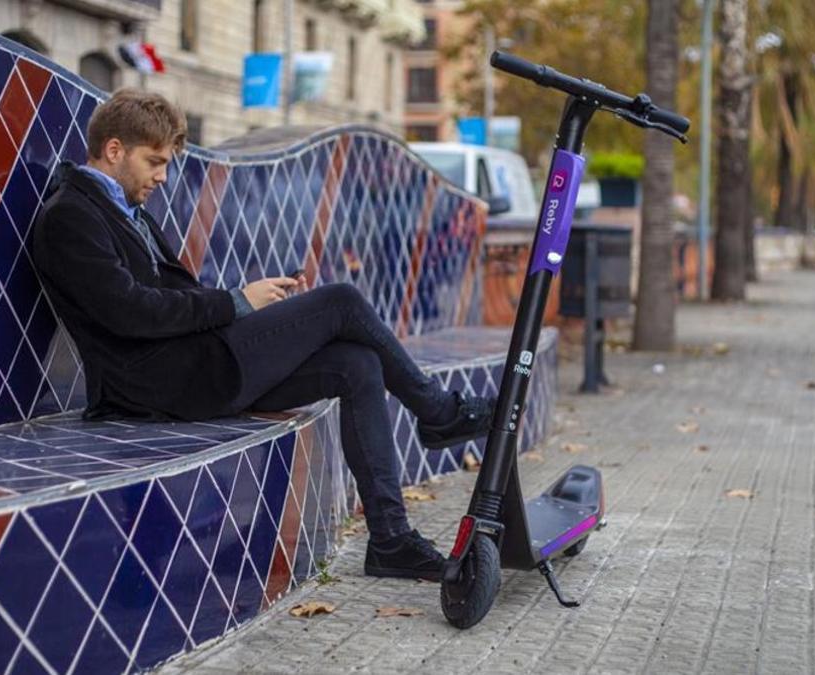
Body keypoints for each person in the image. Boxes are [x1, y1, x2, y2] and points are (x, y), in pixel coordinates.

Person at [32, 89, 494, 581]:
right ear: (115, 149)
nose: (163, 177)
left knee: (357, 364)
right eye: (155, 162)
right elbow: (130, 312)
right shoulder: (71, 216)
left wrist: (247, 305)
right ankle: (438, 412)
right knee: (341, 301)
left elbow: (164, 299)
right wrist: (237, 302)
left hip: (191, 364)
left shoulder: (123, 209)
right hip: (161, 381)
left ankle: (391, 540)